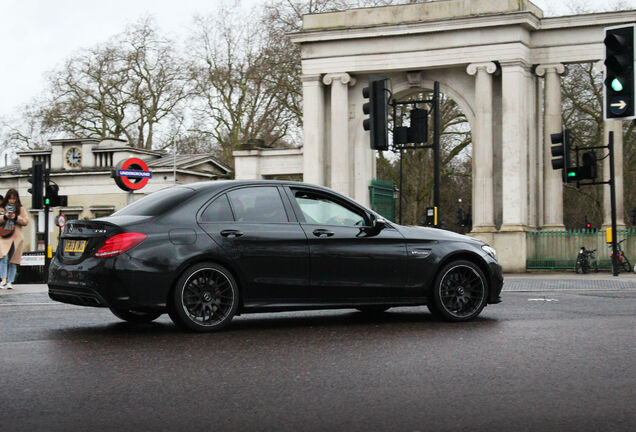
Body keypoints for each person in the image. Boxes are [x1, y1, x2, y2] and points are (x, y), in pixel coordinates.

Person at [0, 189, 28, 289]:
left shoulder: (20, 209)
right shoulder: (2, 208)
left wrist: (16, 217)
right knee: (3, 257)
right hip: (4, 235)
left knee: (13, 260)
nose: (12, 201)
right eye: (10, 198)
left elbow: (25, 221)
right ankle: (3, 279)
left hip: (16, 237)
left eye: (14, 199)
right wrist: (5, 217)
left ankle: (10, 281)